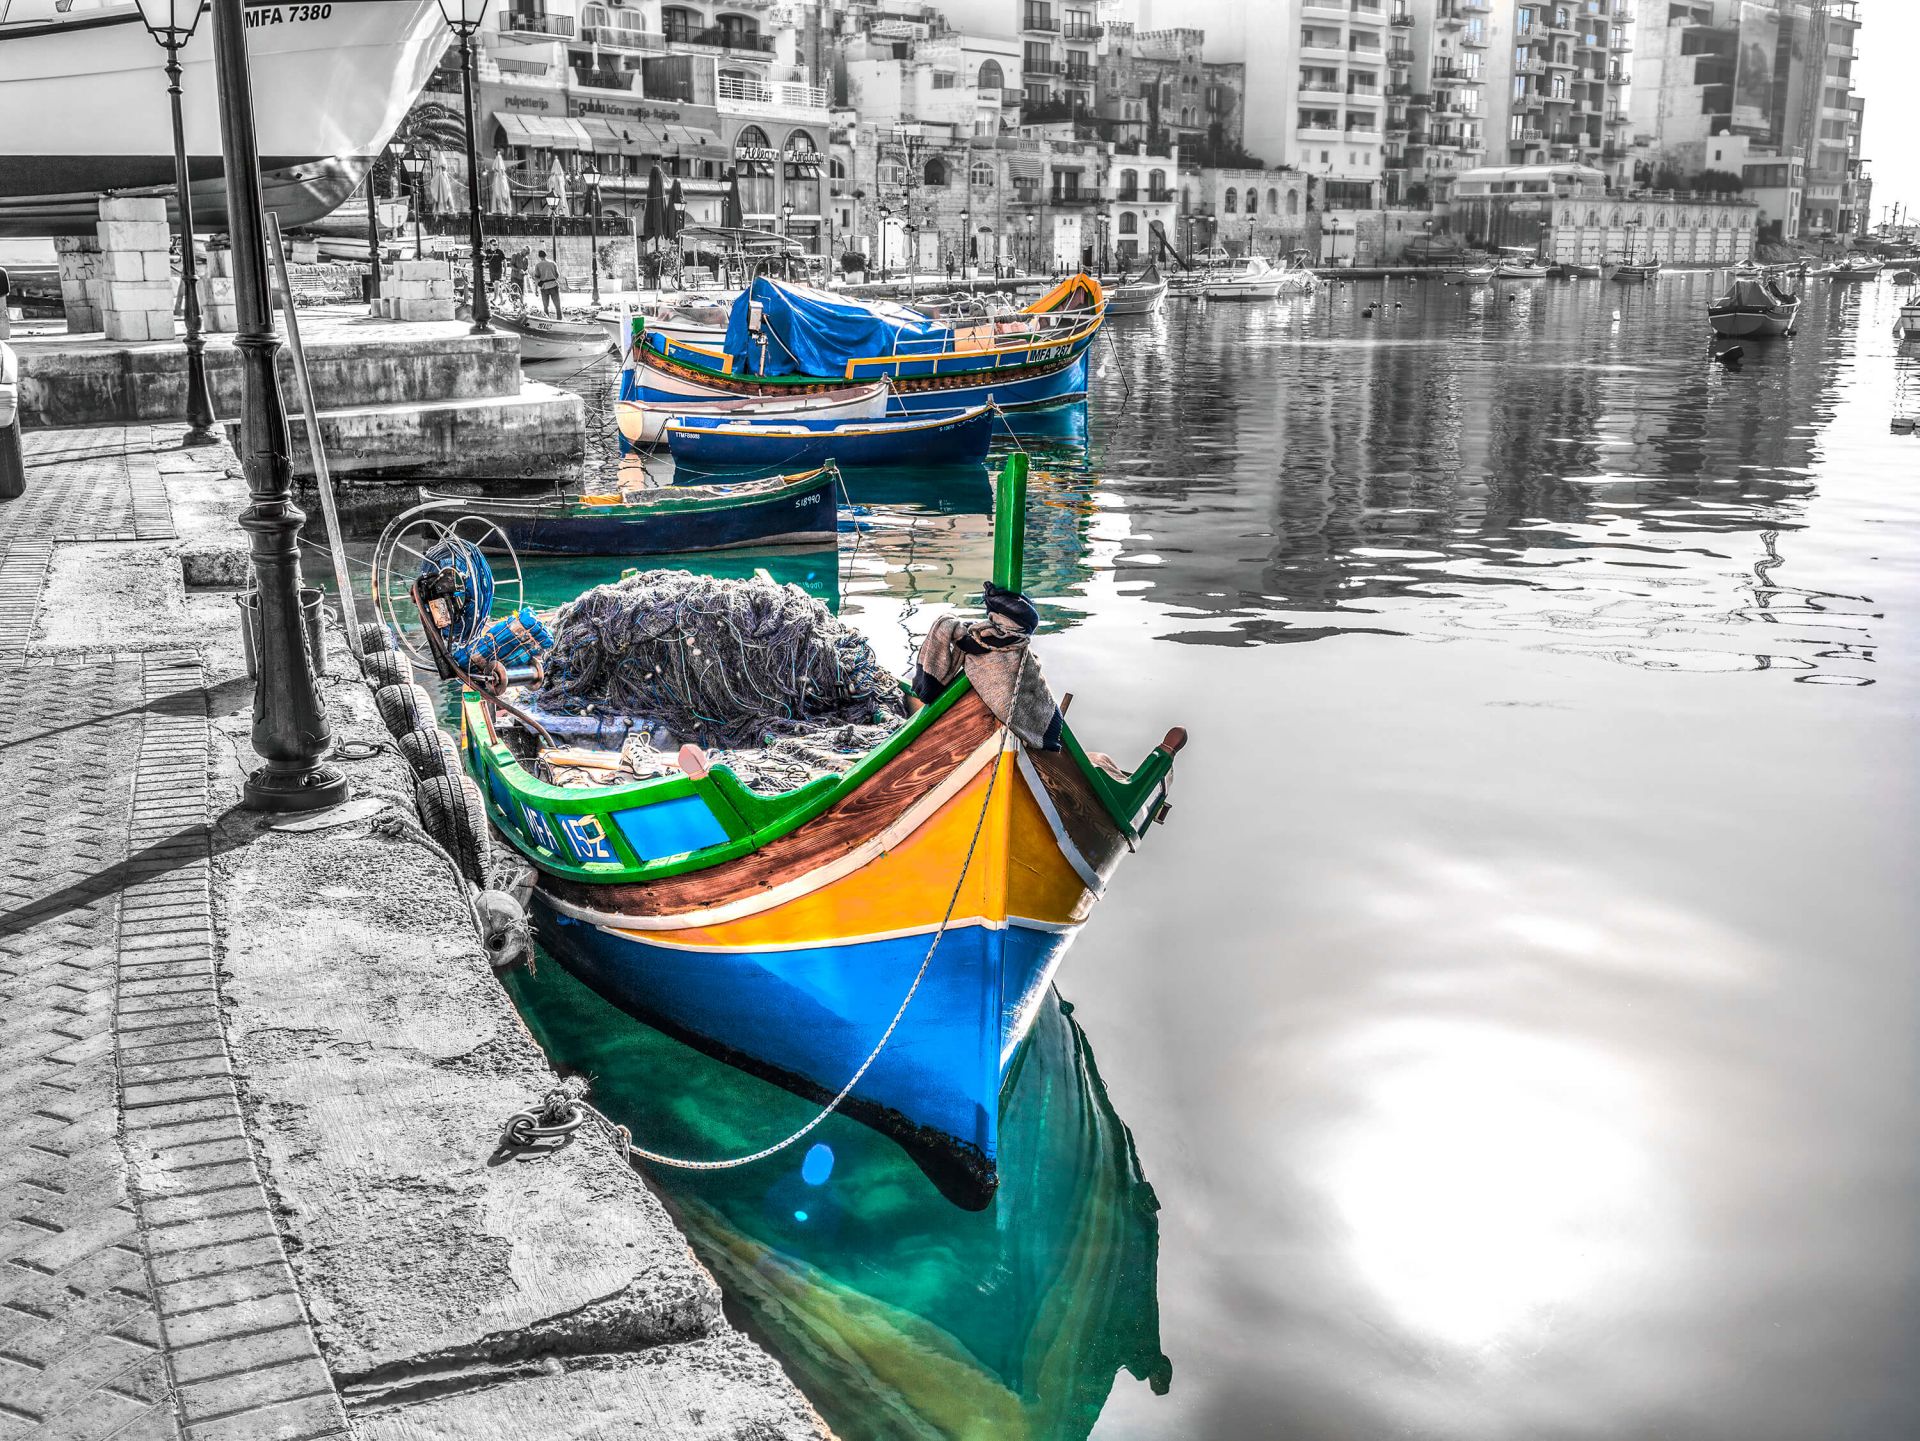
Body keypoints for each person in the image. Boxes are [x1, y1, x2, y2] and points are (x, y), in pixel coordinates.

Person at [532, 248, 561, 316]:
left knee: (545, 306)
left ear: (539, 256)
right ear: (546, 255)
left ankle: (547, 318)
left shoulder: (538, 265)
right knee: (557, 306)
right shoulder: (553, 263)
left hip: (544, 287)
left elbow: (536, 278)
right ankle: (559, 319)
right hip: (554, 285)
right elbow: (557, 275)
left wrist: (536, 290)